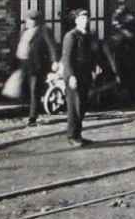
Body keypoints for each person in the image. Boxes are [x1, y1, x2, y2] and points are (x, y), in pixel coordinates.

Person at [16, 10, 60, 126]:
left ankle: (32, 117)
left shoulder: (44, 30)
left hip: (37, 65)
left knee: (34, 90)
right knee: (25, 89)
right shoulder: (25, 31)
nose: (27, 22)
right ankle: (30, 111)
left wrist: (54, 61)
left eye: (30, 20)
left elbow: (52, 46)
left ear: (36, 21)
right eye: (27, 20)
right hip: (24, 64)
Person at [59, 8, 95, 146]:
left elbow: (89, 55)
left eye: (87, 18)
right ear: (76, 20)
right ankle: (72, 136)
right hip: (74, 75)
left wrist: (93, 67)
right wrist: (71, 76)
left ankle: (78, 134)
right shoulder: (71, 36)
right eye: (82, 18)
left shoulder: (86, 36)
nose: (86, 21)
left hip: (85, 74)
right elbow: (66, 58)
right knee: (74, 107)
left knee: (83, 105)